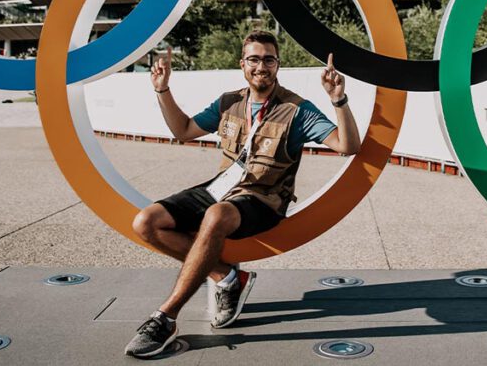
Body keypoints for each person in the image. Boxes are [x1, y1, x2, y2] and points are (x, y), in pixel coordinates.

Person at [124, 30, 360, 358]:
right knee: (145, 222)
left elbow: (347, 145)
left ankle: (165, 317)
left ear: (278, 65)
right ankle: (227, 276)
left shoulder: (297, 109)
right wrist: (162, 90)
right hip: (221, 189)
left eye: (268, 59)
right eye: (254, 58)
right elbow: (184, 131)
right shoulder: (228, 102)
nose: (261, 65)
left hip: (263, 199)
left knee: (216, 216)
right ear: (242, 64)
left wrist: (338, 99)